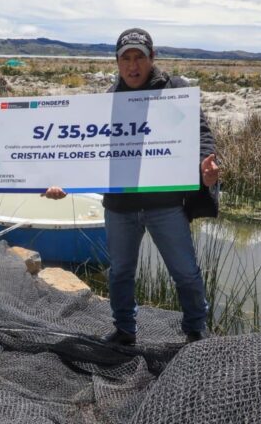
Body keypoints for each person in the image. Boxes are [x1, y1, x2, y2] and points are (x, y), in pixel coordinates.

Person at [43, 28, 219, 345]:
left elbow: (201, 135)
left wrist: (204, 166)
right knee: (120, 273)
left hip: (164, 204)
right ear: (117, 63)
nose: (133, 65)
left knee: (185, 272)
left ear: (152, 58)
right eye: (126, 59)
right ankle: (124, 330)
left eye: (140, 57)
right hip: (120, 207)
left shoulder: (175, 92)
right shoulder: (107, 101)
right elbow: (85, 151)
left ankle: (196, 330)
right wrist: (62, 181)